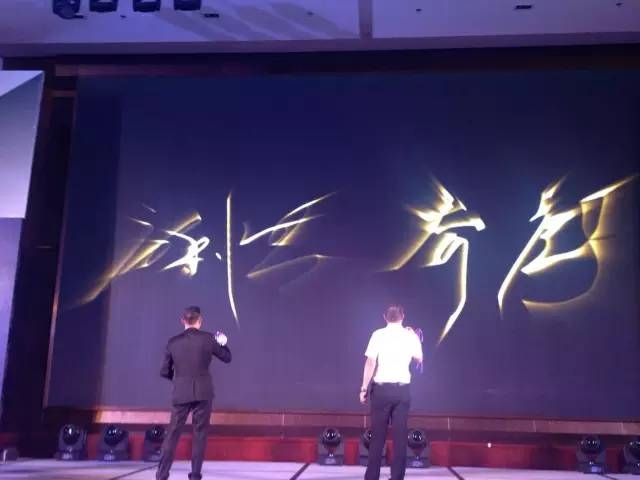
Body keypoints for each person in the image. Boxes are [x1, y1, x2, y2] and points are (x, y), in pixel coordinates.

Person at [157, 306, 232, 480]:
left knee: (172, 434)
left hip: (181, 392)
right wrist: (223, 342)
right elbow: (227, 357)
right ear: (200, 321)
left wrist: (178, 380)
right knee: (200, 434)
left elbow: (164, 371)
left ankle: (161, 475)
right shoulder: (208, 339)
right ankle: (195, 475)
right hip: (203, 392)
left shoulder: (173, 342)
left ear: (182, 321)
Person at [359, 304, 423, 480]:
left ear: (384, 317)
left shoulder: (378, 335)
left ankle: (372, 477)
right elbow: (419, 359)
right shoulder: (410, 336)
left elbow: (370, 362)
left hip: (381, 391)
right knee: (400, 438)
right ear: (403, 316)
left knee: (377, 437)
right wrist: (414, 337)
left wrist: (364, 388)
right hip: (402, 392)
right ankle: (397, 477)